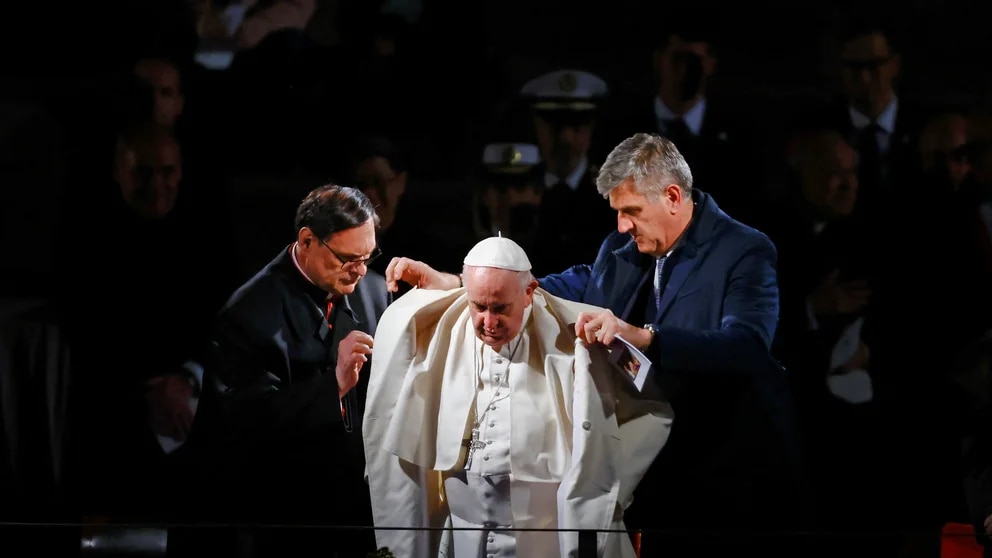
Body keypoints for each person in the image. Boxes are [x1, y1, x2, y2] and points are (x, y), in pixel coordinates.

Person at [384, 133, 805, 556]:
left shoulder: (745, 250)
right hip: (653, 474)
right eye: (618, 212)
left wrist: (644, 336)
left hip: (730, 476)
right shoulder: (621, 248)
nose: (622, 225)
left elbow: (748, 346)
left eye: (631, 211)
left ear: (673, 197)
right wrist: (459, 283)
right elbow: (546, 289)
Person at [364, 236, 674, 558]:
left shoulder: (578, 342)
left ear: (529, 293)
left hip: (545, 540)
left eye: (500, 308)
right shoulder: (440, 335)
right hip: (464, 537)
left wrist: (607, 491)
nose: (488, 323)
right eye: (478, 306)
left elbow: (652, 411)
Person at [185, 184, 388, 558]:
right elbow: (246, 425)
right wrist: (335, 384)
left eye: (367, 256)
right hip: (277, 515)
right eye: (347, 258)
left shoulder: (374, 292)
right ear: (307, 240)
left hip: (352, 511)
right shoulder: (249, 313)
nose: (359, 271)